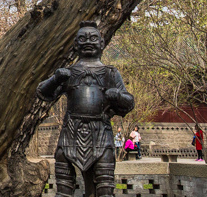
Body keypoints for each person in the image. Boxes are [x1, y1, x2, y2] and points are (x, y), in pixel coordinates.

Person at [37, 21, 135, 197]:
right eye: (83, 38)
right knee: (64, 184)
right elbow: (43, 92)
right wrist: (56, 79)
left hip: (101, 131)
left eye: (93, 38)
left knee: (105, 187)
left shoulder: (110, 73)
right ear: (76, 45)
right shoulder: (68, 73)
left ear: (102, 44)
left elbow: (129, 102)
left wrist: (118, 96)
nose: (88, 42)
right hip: (71, 131)